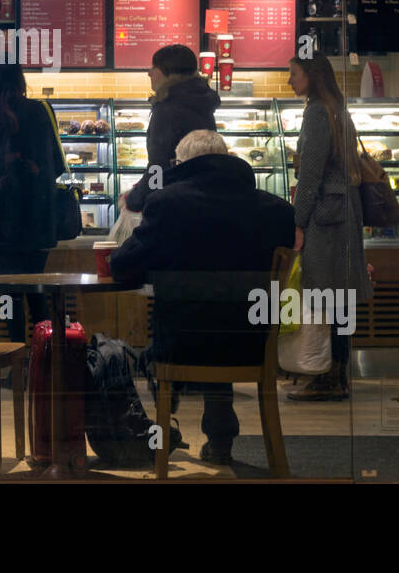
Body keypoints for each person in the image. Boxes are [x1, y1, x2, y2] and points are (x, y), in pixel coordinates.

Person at [110, 130, 296, 464]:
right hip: (253, 342)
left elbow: (124, 265)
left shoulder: (168, 204)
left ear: (182, 164)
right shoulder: (278, 210)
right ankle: (220, 435)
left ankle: (164, 428)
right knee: (222, 316)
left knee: (180, 328)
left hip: (181, 344)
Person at [286, 51, 372, 402]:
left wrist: (298, 222)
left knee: (328, 295)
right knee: (339, 298)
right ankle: (338, 371)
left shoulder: (318, 112)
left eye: (294, 74)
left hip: (326, 216)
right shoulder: (337, 108)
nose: (290, 80)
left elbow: (310, 177)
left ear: (312, 77)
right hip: (342, 211)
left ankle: (332, 376)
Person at [0, 63, 63, 345]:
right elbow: (58, 166)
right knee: (37, 290)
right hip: (39, 218)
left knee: (8, 292)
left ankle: (15, 359)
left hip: (4, 221)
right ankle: (44, 361)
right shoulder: (41, 111)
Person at [124, 45, 221, 213]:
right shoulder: (201, 102)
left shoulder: (167, 109)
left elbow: (158, 167)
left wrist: (136, 199)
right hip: (204, 199)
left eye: (153, 66)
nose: (149, 73)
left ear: (164, 71)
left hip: (175, 204)